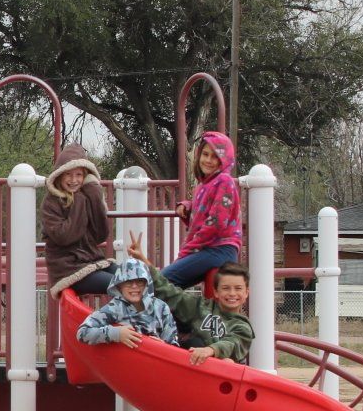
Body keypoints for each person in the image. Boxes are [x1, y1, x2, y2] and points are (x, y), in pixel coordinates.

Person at [130, 242, 253, 366]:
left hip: (217, 372)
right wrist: (144, 261)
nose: (232, 293)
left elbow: (232, 343)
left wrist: (210, 350)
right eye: (226, 288)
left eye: (238, 288)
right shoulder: (201, 308)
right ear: (216, 291)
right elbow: (171, 293)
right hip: (190, 361)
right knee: (189, 340)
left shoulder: (243, 327)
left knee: (228, 362)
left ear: (246, 292)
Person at [162, 131, 243, 288]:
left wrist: (187, 250)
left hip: (220, 248)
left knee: (161, 282)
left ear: (224, 160)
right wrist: (188, 206)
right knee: (170, 287)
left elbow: (215, 223)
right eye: (205, 154)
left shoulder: (224, 181)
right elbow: (204, 209)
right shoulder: (203, 185)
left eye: (215, 156)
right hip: (208, 249)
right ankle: (177, 313)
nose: (208, 160)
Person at [41, 144, 113, 297]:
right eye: (68, 174)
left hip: (91, 262)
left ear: (86, 176)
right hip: (67, 269)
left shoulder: (88, 196)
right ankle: (111, 317)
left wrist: (94, 193)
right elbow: (65, 236)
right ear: (60, 175)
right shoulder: (51, 202)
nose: (74, 180)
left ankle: (138, 319)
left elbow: (100, 235)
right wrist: (79, 201)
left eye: (79, 175)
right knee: (119, 284)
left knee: (135, 278)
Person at [74, 259, 177, 350]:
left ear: (147, 284)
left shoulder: (161, 308)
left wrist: (163, 346)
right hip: (125, 365)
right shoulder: (115, 308)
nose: (134, 287)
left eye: (140, 281)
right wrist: (117, 334)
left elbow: (174, 345)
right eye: (128, 282)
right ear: (119, 286)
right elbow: (82, 332)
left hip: (154, 364)